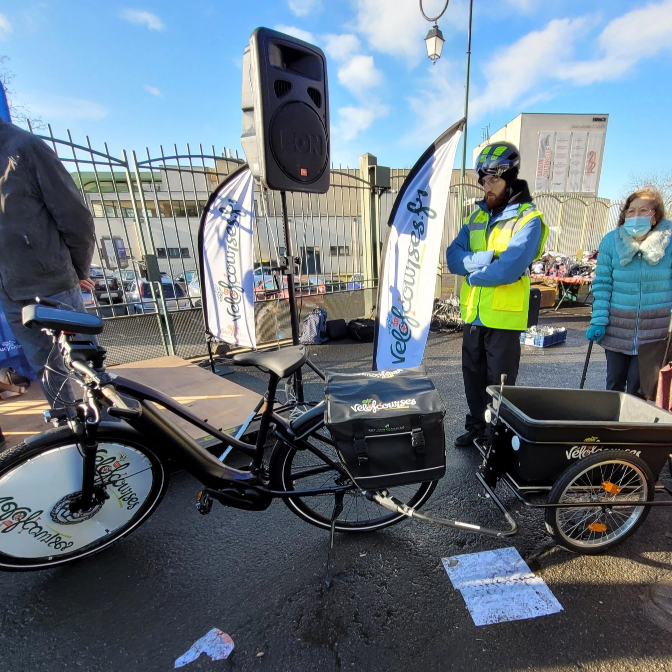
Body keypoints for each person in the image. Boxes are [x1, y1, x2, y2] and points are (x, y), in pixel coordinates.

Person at [446, 142, 548, 447]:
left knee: (499, 383)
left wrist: (472, 271)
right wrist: (485, 259)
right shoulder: (476, 217)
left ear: (510, 179)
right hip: (474, 313)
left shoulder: (528, 220)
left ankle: (497, 434)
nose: (486, 187)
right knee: (472, 375)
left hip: (504, 319)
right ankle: (478, 425)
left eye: (493, 181)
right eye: (484, 181)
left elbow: (508, 269)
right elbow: (452, 257)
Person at [0, 117, 96, 410]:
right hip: (10, 292)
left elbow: (75, 216)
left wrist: (77, 270)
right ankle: (68, 429)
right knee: (46, 369)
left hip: (53, 284)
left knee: (86, 362)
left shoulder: (25, 148)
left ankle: (110, 423)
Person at [587, 188, 672, 398]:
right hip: (617, 327)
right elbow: (603, 284)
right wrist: (598, 320)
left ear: (655, 217)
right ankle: (609, 428)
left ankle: (632, 429)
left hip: (654, 331)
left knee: (639, 389)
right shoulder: (611, 241)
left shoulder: (669, 242)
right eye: (631, 211)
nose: (635, 216)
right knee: (614, 384)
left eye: (643, 210)